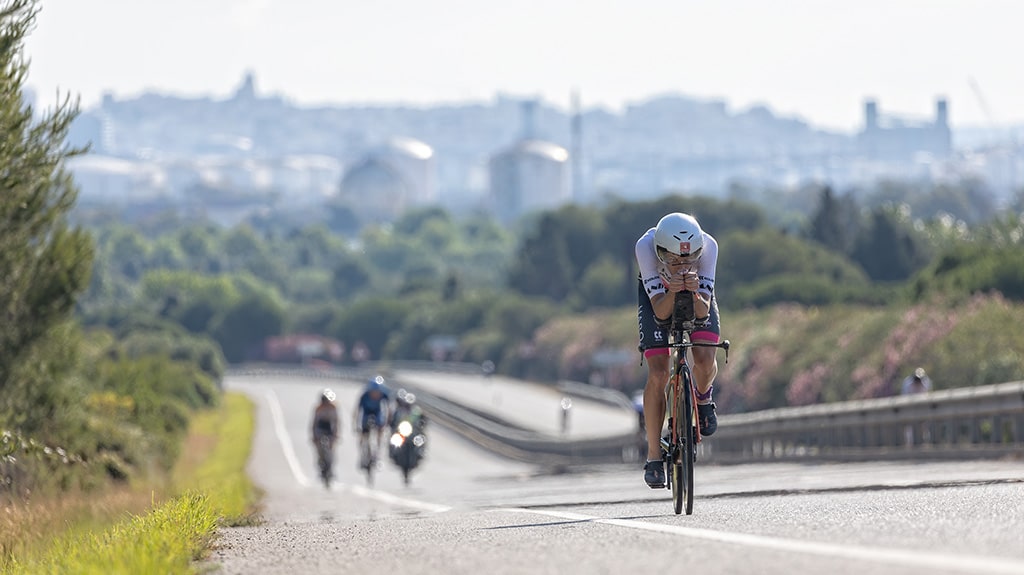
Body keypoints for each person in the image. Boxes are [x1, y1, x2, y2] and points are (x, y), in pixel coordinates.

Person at [635, 212, 722, 488]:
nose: (683, 265)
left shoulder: (709, 247)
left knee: (706, 356)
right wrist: (672, 291)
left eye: (689, 258)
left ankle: (704, 398)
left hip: (697, 295)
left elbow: (703, 310)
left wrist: (694, 292)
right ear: (660, 252)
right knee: (659, 372)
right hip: (658, 298)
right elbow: (661, 313)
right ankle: (653, 457)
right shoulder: (645, 247)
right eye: (674, 260)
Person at [354, 375, 391, 454]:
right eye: (373, 392)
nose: (376, 394)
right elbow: (358, 410)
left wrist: (387, 422)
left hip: (377, 412)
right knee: (364, 432)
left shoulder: (384, 395)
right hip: (366, 412)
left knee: (380, 428)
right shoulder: (364, 396)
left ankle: (377, 449)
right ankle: (362, 450)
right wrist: (356, 424)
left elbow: (388, 409)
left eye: (378, 392)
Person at [311, 389, 340, 482]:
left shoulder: (334, 408)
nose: (326, 404)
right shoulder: (318, 408)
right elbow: (314, 423)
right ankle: (320, 461)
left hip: (330, 427)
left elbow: (336, 422)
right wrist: (314, 437)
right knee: (319, 447)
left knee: (331, 448)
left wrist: (336, 435)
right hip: (320, 426)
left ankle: (330, 466)